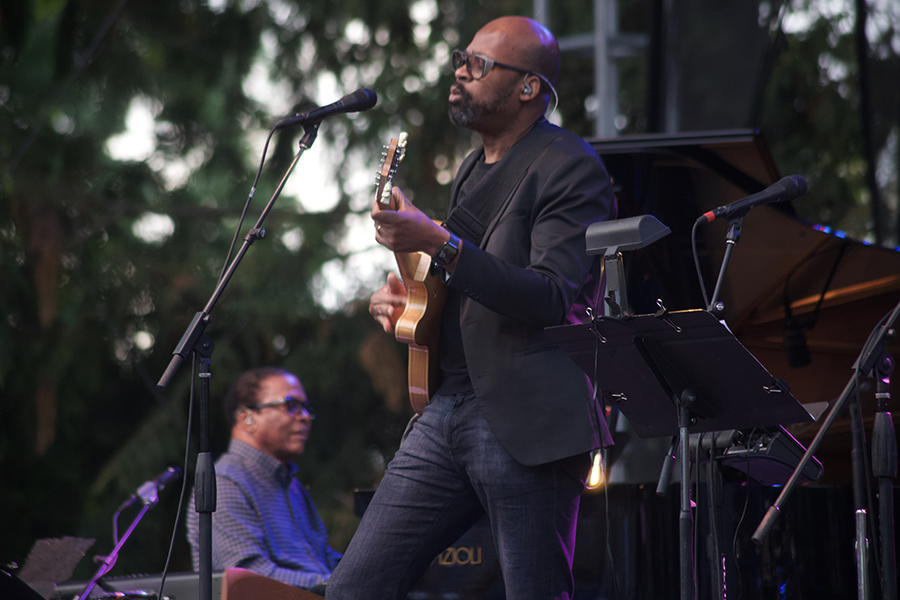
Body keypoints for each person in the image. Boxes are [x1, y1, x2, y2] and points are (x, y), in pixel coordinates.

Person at [325, 16, 616, 600]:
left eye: (479, 64)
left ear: (528, 87)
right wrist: (409, 301)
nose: (460, 70)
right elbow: (464, 282)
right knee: (354, 588)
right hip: (445, 412)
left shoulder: (570, 165)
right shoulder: (469, 170)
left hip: (525, 417)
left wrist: (435, 238)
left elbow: (551, 295)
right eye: (462, 57)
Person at [186, 367, 341, 589]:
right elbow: (249, 578)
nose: (305, 417)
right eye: (291, 405)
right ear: (247, 419)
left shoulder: (292, 485)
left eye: (306, 408)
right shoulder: (224, 482)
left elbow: (326, 559)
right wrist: (339, 585)